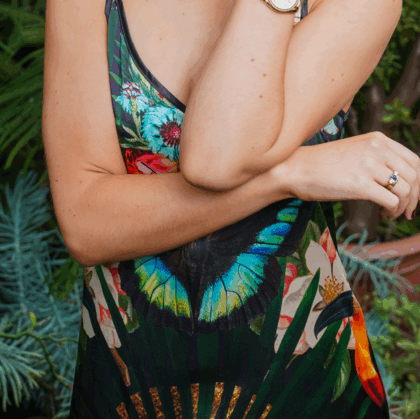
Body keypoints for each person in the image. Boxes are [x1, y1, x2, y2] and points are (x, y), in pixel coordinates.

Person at [42, 0, 416, 417]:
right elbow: (86, 225)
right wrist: (290, 173)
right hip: (129, 387)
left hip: (302, 381)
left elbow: (216, 157)